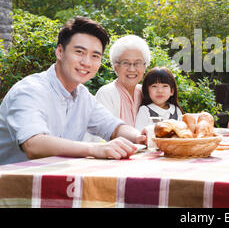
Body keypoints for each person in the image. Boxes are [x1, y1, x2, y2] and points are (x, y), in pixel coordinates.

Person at [0, 17, 147, 166]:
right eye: (79, 52)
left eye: (95, 56)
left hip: (57, 180)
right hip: (12, 184)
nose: (86, 62)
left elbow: (113, 127)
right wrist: (95, 149)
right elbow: (33, 144)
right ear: (60, 52)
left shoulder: (82, 95)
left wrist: (142, 137)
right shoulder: (29, 90)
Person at [83, 35, 151, 142]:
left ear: (144, 66)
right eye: (125, 63)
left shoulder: (146, 92)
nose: (132, 69)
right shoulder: (106, 93)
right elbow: (98, 138)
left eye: (137, 63)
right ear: (115, 67)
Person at [135, 67, 184, 131]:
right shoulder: (145, 110)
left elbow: (182, 132)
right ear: (147, 90)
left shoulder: (176, 111)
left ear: (172, 91)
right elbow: (139, 133)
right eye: (154, 86)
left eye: (165, 86)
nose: (160, 91)